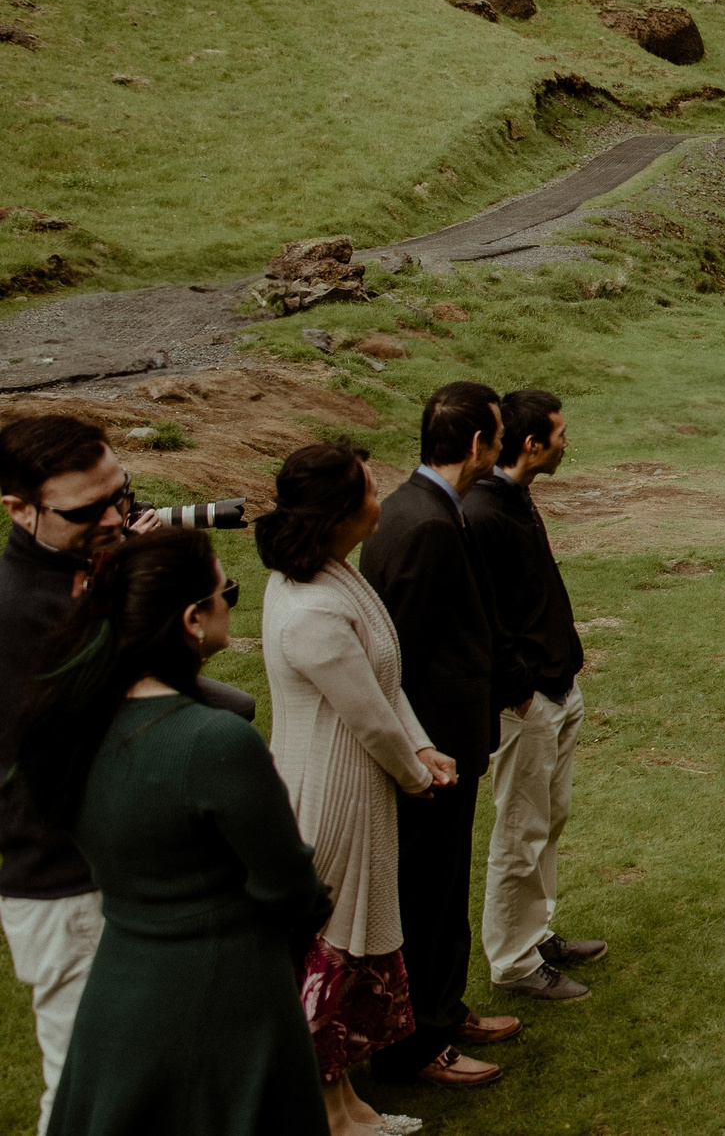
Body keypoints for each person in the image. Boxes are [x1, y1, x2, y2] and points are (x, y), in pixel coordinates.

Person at [18, 528, 333, 1136]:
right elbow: (290, 888)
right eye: (227, 593)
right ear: (193, 619)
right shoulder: (213, 742)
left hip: (120, 985)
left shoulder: (72, 722)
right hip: (227, 998)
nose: (228, 605)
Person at [258, 441, 455, 1136]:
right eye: (372, 490)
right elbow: (366, 716)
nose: (383, 498)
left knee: (344, 944)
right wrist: (412, 773)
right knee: (330, 953)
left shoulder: (335, 571)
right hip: (330, 791)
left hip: (359, 781)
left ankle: (346, 1105)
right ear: (341, 511)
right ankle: (327, 1114)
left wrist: (423, 745)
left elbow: (384, 681)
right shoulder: (309, 606)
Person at [0, 414, 157, 1131]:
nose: (113, 518)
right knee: (88, 1092)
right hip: (64, 883)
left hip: (107, 870)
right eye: (85, 511)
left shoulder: (77, 577)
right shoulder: (23, 613)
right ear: (18, 509)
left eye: (119, 496)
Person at [360, 381, 516, 1088]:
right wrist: (420, 751)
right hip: (433, 752)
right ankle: (418, 1041)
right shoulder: (422, 522)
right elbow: (403, 657)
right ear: (479, 444)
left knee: (447, 882)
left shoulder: (429, 508)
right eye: (499, 434)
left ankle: (445, 1009)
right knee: (423, 892)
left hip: (453, 742)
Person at [468, 388, 606, 1002]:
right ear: (533, 444)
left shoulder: (516, 498)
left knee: (549, 818)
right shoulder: (482, 514)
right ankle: (514, 962)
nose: (566, 442)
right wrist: (519, 690)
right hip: (526, 702)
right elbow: (481, 616)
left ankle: (536, 931)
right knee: (519, 829)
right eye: (561, 432)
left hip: (556, 687)